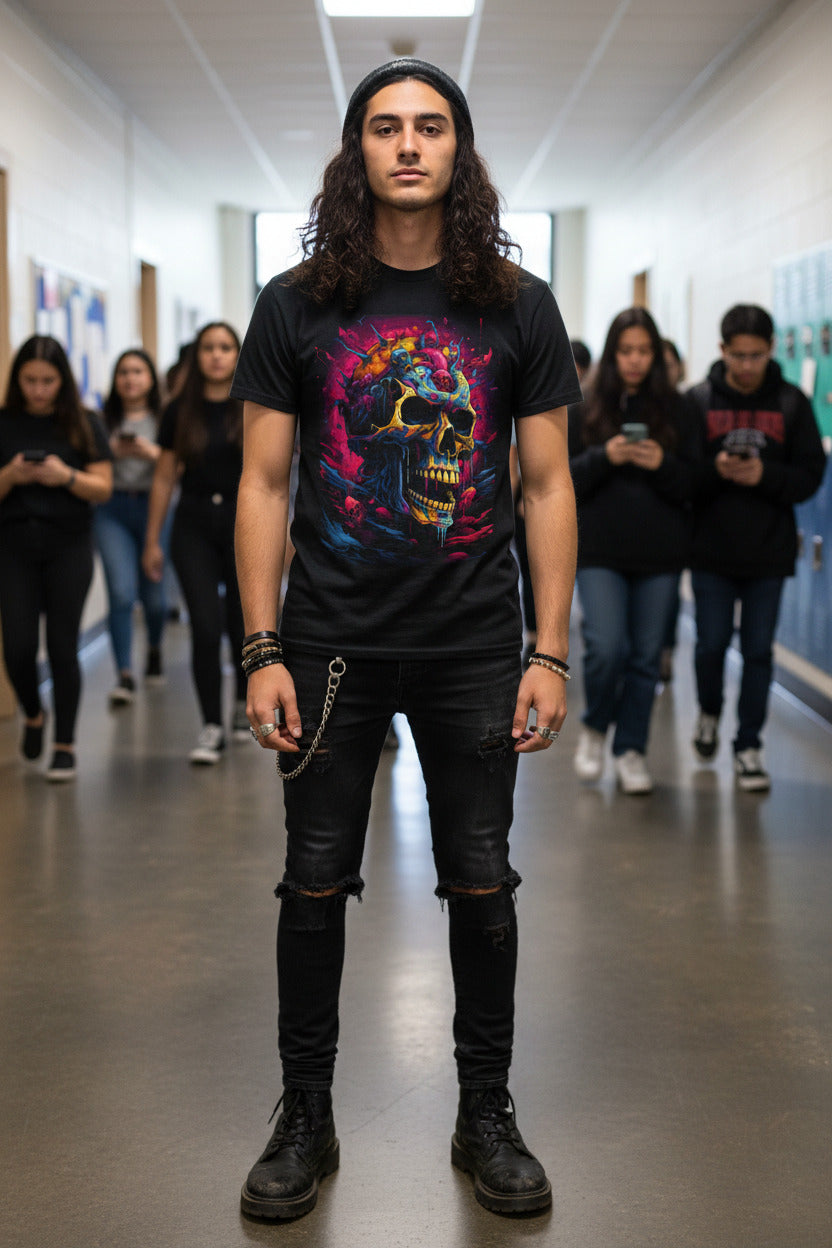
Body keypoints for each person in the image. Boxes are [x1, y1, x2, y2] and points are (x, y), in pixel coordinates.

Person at [231, 59, 581, 1221]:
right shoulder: (295, 304)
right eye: (385, 127)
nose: (409, 144)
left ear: (459, 149)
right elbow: (263, 484)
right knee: (312, 884)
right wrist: (261, 646)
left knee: (482, 882)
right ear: (357, 151)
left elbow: (545, 485)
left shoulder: (516, 306)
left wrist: (547, 650)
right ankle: (305, 1114)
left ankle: (486, 1112)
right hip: (327, 644)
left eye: (431, 126)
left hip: (473, 645)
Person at [687, 304, 826, 791]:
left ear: (770, 351)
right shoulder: (699, 400)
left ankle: (748, 744)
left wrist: (765, 475)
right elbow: (680, 475)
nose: (747, 366)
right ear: (723, 350)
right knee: (710, 645)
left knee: (758, 652)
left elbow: (811, 475)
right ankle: (709, 712)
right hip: (711, 550)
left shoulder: (791, 402)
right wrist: (716, 471)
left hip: (769, 552)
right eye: (738, 355)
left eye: (757, 356)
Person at [569, 308, 696, 794]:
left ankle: (631, 749)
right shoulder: (585, 405)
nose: (635, 360)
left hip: (660, 553)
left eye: (644, 351)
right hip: (600, 551)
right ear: (612, 354)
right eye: (626, 351)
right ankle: (595, 727)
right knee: (605, 647)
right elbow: (563, 478)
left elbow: (697, 483)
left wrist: (662, 463)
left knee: (645, 657)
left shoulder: (679, 409)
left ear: (656, 355)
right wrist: (606, 456)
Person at [0, 335, 112, 780]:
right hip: (13, 547)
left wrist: (65, 476)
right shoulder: (4, 422)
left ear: (62, 380)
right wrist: (10, 475)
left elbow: (102, 488)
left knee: (63, 646)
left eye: (47, 381)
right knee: (18, 648)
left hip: (69, 545)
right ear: (17, 379)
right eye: (30, 380)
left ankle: (65, 744)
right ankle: (33, 712)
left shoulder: (84, 423)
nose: (39, 390)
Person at [142, 321, 248, 764]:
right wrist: (152, 540)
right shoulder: (178, 411)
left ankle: (242, 703)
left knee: (242, 624)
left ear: (238, 354)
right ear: (196, 355)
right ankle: (210, 725)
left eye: (225, 347)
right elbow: (164, 477)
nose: (217, 355)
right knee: (205, 626)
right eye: (208, 347)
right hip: (193, 527)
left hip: (243, 525)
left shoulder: (252, 403)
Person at [94, 349, 167, 705]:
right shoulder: (101, 420)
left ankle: (154, 646)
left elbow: (179, 465)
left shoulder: (165, 418)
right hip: (112, 509)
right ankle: (124, 673)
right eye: (123, 371)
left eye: (138, 371)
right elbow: (89, 462)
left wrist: (152, 453)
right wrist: (112, 451)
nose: (130, 378)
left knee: (155, 598)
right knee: (121, 592)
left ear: (151, 377)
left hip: (156, 508)